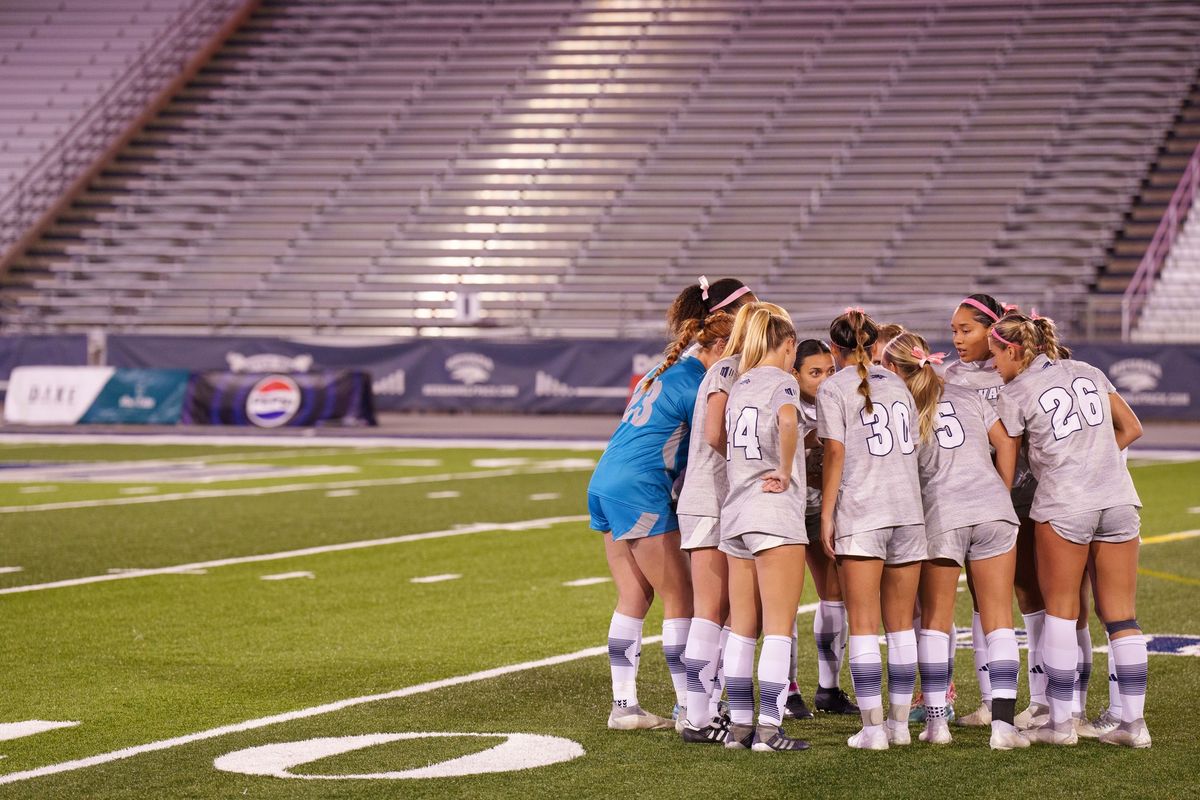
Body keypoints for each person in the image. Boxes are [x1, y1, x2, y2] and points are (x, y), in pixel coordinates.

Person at [587, 277, 754, 730]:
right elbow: (711, 449)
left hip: (606, 481)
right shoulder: (702, 382)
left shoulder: (663, 370)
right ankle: (689, 707)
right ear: (724, 336)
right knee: (681, 596)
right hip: (641, 487)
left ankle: (624, 707)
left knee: (634, 595)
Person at [990, 312, 1149, 748]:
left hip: (1065, 503)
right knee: (1121, 616)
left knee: (1061, 613)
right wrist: (1094, 459)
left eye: (996, 356)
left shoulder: (1016, 389)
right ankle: (1134, 726)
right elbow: (1131, 427)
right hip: (1118, 498)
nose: (993, 366)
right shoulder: (1090, 370)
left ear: (1014, 350)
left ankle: (1060, 724)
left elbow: (1008, 456)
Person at [881, 331, 1028, 750]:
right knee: (999, 620)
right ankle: (1003, 727)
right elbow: (1005, 442)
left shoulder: (900, 409)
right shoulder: (966, 394)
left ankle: (936, 723)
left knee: (936, 621)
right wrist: (997, 491)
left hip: (942, 516)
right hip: (994, 510)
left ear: (893, 370)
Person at [676, 300, 788, 744]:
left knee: (722, 612)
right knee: (711, 611)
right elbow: (714, 435)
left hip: (717, 499)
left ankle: (705, 711)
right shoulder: (731, 369)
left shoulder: (731, 367)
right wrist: (751, 467)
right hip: (713, 498)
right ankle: (698, 716)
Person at [817, 308, 926, 750]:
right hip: (909, 511)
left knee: (863, 625)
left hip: (864, 512)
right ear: (876, 344)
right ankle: (900, 726)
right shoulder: (899, 383)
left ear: (833, 349)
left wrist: (826, 514)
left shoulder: (833, 387)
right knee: (900, 626)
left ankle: (873, 729)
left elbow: (836, 456)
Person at [718, 307, 812, 752]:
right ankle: (770, 729)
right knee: (777, 626)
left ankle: (738, 726)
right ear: (788, 344)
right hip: (773, 511)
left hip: (736, 512)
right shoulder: (782, 380)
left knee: (742, 627)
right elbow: (789, 420)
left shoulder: (740, 382)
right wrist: (786, 468)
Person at [793, 338, 857, 715]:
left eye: (829, 371)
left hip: (821, 509)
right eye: (814, 373)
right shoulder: (783, 398)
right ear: (795, 373)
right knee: (780, 602)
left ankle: (829, 688)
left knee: (834, 594)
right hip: (782, 511)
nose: (824, 379)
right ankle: (787, 690)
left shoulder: (838, 401)